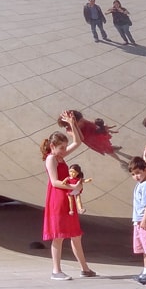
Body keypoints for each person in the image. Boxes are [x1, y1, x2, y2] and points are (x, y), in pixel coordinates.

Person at [42, 110, 97, 280]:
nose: (64, 150)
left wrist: (72, 123)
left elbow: (78, 141)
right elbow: (54, 182)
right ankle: (56, 270)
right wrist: (72, 185)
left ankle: (84, 268)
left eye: (65, 147)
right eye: (61, 148)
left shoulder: (60, 156)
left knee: (75, 234)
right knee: (58, 237)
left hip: (67, 197)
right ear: (53, 146)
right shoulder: (51, 158)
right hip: (58, 198)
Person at [128, 155, 146, 284]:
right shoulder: (142, 183)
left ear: (145, 170)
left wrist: (145, 219)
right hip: (138, 220)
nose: (136, 176)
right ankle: (145, 270)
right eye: (133, 174)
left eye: (138, 173)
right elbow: (144, 164)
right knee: (144, 248)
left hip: (145, 220)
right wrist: (145, 154)